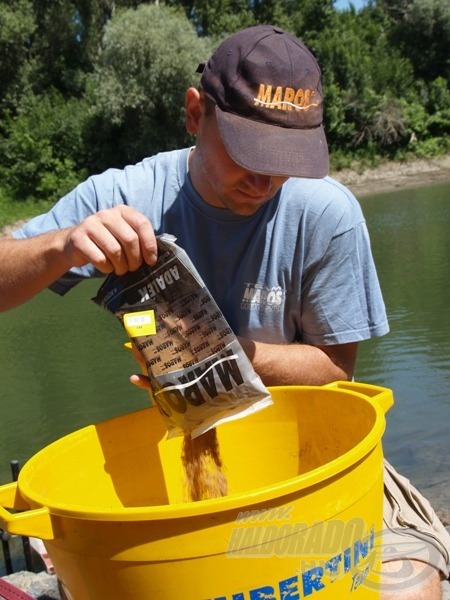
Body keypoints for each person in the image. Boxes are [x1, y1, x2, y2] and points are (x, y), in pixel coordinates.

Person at [0, 24, 448, 599]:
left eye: (285, 159)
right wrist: (61, 245)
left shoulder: (327, 214)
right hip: (185, 472)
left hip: (309, 470)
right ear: (195, 115)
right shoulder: (129, 195)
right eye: (248, 153)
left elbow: (337, 371)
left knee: (410, 589)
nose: (263, 181)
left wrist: (216, 352)